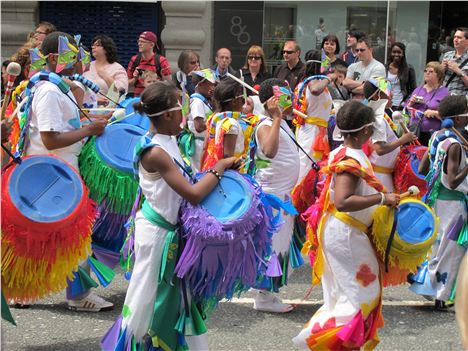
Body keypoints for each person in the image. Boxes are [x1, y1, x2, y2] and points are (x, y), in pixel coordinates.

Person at [101, 81, 240, 351]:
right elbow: (193, 193)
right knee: (146, 300)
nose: (185, 116)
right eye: (181, 110)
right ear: (167, 115)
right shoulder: (155, 152)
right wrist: (221, 166)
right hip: (157, 235)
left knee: (173, 299)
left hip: (166, 230)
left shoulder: (169, 142)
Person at [293, 100, 399, 350]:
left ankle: (332, 344)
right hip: (347, 234)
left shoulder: (345, 152)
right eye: (372, 127)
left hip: (345, 232)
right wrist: (383, 197)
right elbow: (342, 201)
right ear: (364, 131)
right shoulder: (350, 158)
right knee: (362, 296)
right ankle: (313, 341)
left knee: (346, 297)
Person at [23, 31, 111, 311]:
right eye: (71, 55)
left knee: (74, 235)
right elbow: (50, 139)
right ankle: (75, 296)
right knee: (52, 234)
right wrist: (89, 129)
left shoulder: (59, 87)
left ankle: (76, 293)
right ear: (52, 58)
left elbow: (67, 126)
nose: (77, 60)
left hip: (61, 172)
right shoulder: (48, 92)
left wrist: (94, 122)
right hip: (52, 174)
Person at [412, 95, 468, 309]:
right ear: (458, 119)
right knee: (451, 251)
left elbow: (423, 169)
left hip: (436, 200)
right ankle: (442, 296)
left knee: (438, 248)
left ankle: (436, 292)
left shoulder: (436, 136)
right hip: (453, 204)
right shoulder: (454, 145)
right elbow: (453, 181)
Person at [252, 78, 300, 313]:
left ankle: (266, 293)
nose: (290, 98)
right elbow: (269, 151)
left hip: (282, 194)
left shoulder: (275, 122)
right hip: (272, 196)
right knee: (271, 247)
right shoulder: (265, 124)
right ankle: (264, 297)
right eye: (285, 95)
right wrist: (277, 117)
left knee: (278, 246)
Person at [363, 78, 417, 191]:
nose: (391, 94)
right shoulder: (378, 119)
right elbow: (379, 149)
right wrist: (403, 139)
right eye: (387, 91)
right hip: (379, 176)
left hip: (381, 173)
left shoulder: (377, 115)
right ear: (376, 97)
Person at [294, 49, 334, 181]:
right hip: (311, 133)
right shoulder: (311, 82)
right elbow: (315, 90)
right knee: (306, 167)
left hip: (319, 132)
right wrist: (329, 78)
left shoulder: (319, 83)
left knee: (315, 168)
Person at [201, 79, 255, 171]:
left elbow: (204, 147)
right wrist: (244, 160)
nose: (244, 102)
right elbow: (228, 156)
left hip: (213, 167)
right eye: (242, 99)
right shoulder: (231, 124)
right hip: (229, 174)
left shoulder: (213, 119)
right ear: (234, 102)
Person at [404, 61, 450, 146]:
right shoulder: (418, 89)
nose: (427, 73)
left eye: (431, 71)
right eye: (426, 71)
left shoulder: (444, 92)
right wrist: (411, 103)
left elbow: (448, 115)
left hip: (431, 133)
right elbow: (405, 110)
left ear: (439, 75)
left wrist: (435, 113)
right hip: (414, 130)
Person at [184, 69, 216, 172]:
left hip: (204, 143)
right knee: (200, 171)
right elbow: (198, 126)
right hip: (199, 144)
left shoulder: (205, 100)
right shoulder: (197, 101)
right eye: (210, 85)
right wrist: (216, 123)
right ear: (201, 84)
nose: (213, 88)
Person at [127, 31, 172, 97]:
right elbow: (127, 84)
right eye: (139, 41)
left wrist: (154, 81)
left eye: (142, 42)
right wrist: (135, 78)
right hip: (138, 99)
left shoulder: (161, 61)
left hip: (156, 98)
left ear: (151, 45)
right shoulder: (135, 60)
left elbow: (169, 84)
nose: (139, 44)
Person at [386, 42, 417, 111]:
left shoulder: (409, 69)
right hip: (386, 105)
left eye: (399, 52)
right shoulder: (385, 67)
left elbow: (413, 89)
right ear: (390, 53)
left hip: (400, 105)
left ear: (403, 54)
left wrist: (405, 103)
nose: (396, 54)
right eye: (394, 52)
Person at [441, 27, 468, 96]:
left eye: (459, 37)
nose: (455, 40)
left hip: (459, 100)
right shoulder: (447, 55)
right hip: (443, 97)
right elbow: (439, 80)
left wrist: (458, 71)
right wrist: (441, 69)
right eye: (454, 37)